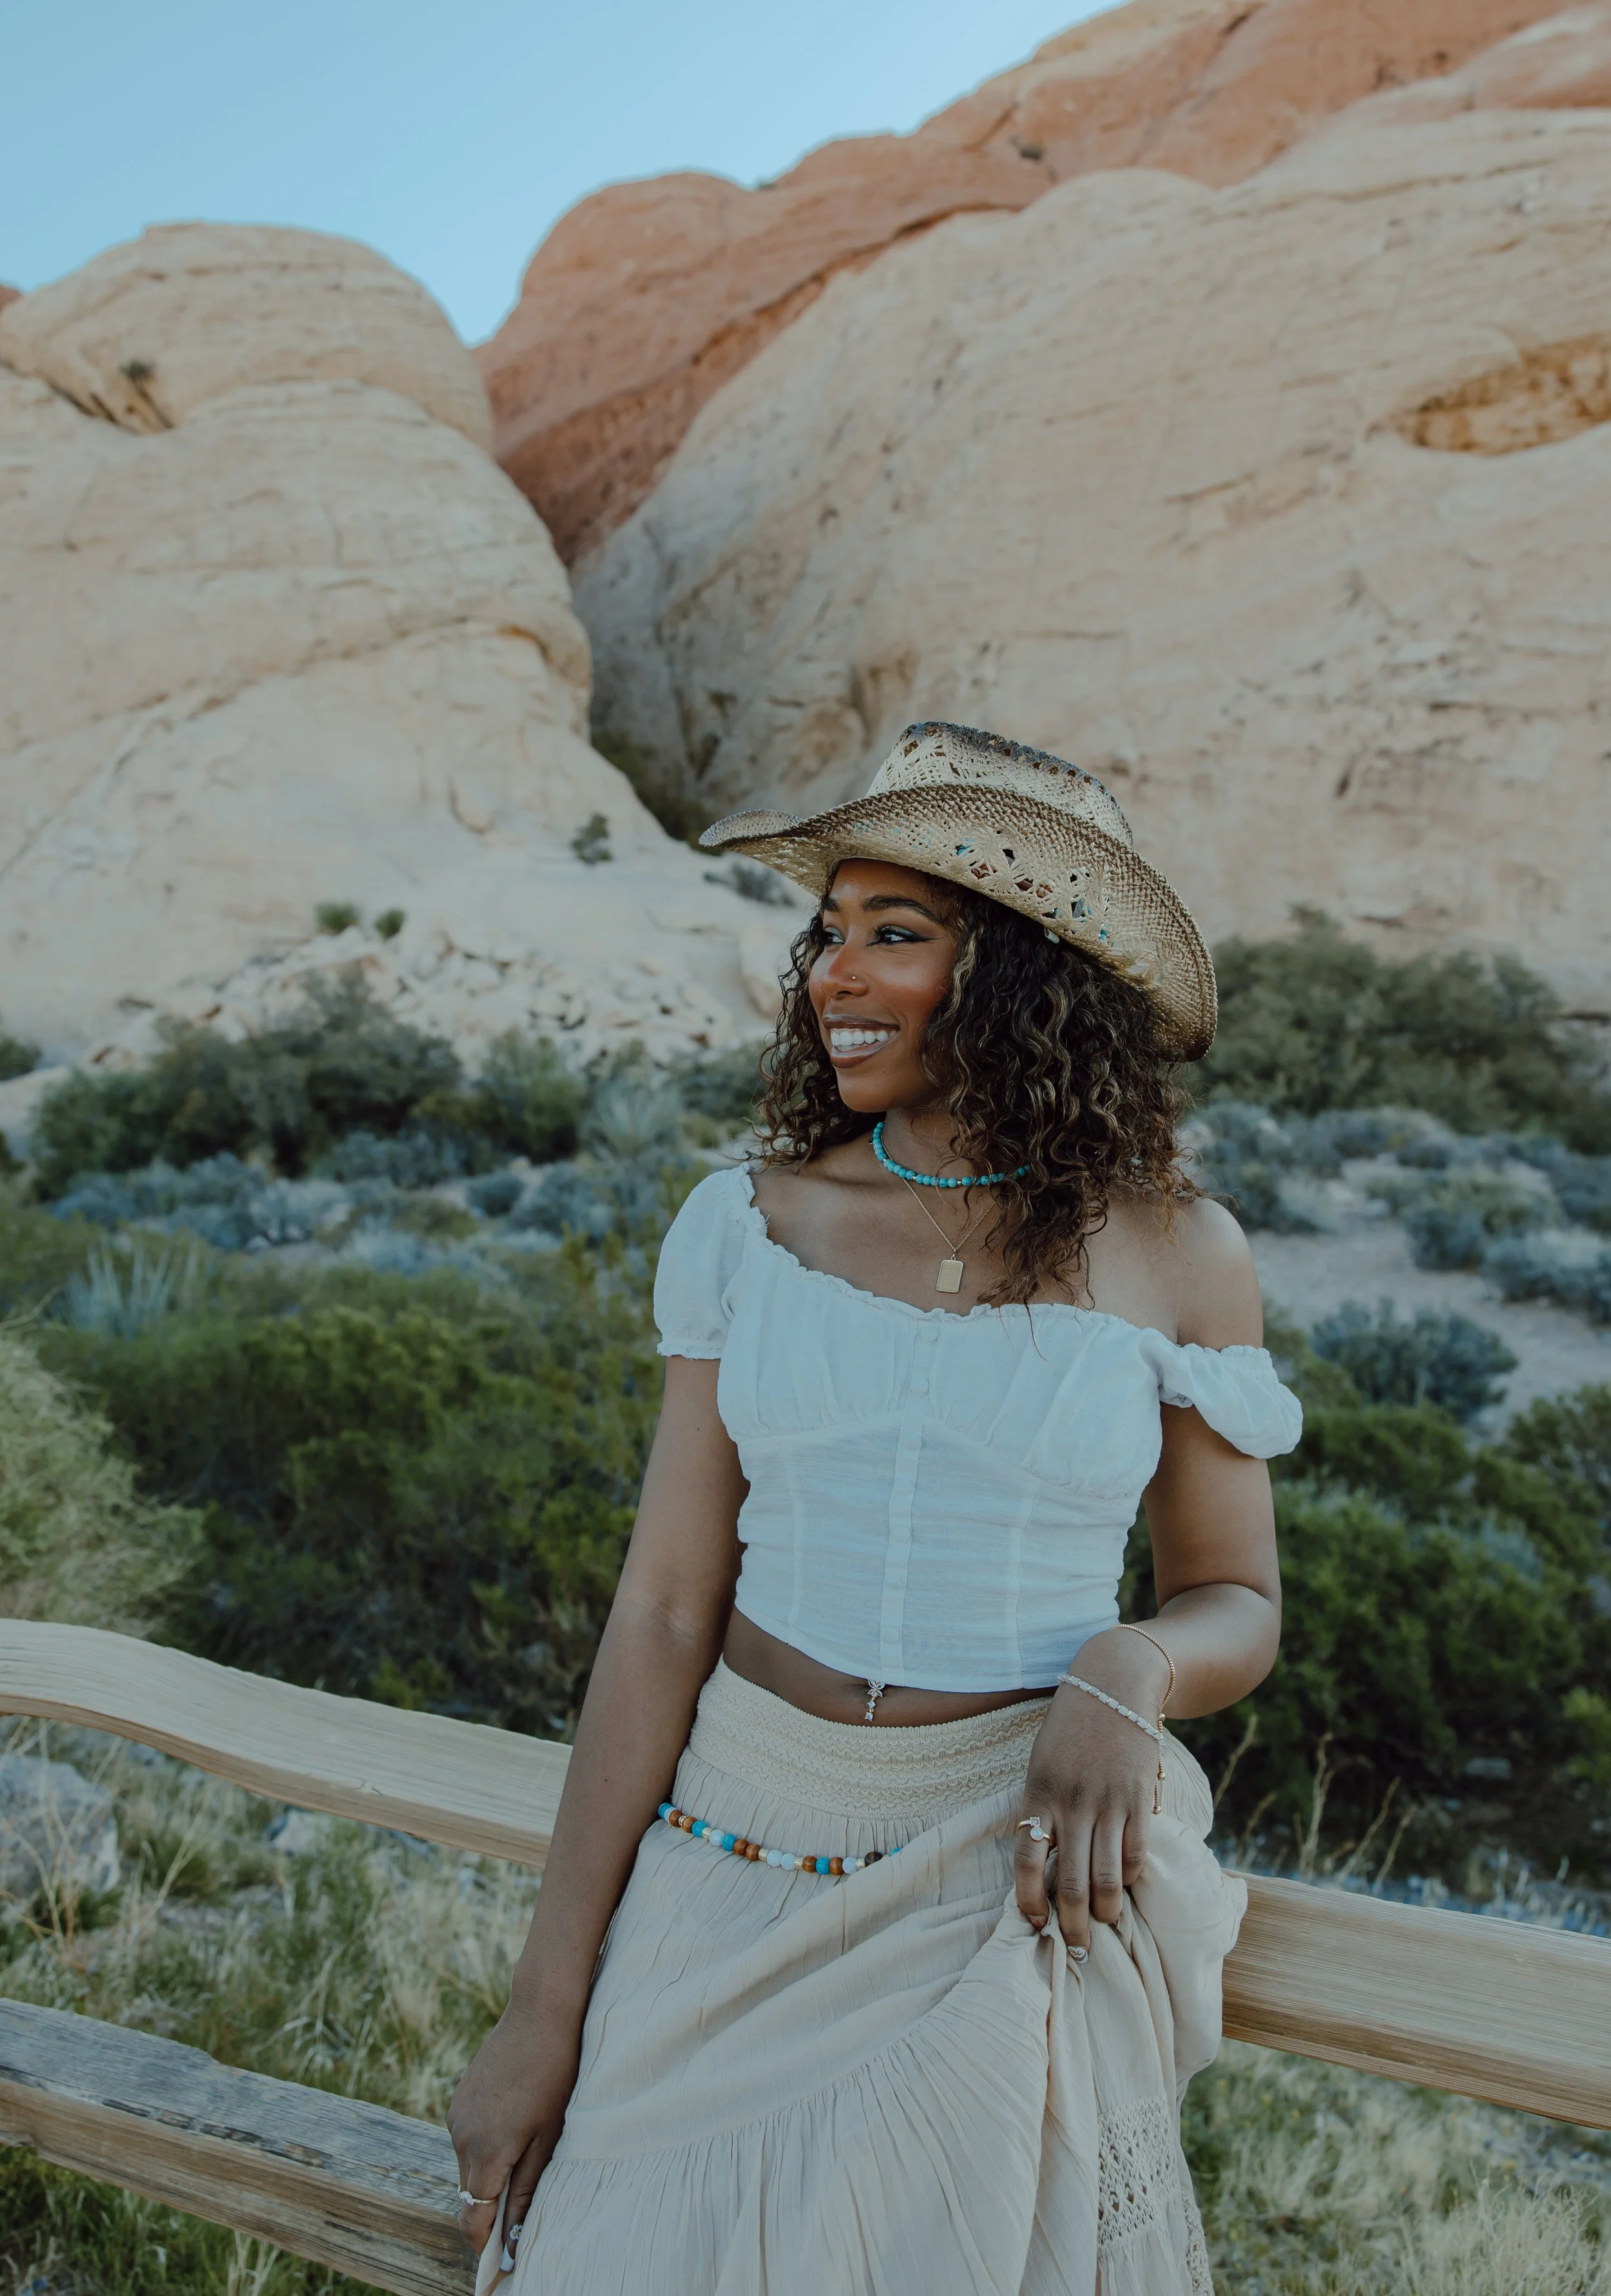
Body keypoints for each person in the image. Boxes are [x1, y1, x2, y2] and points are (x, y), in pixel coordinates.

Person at [448, 722, 1301, 2295]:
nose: (831, 975)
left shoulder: (1182, 1254)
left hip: (1006, 1875)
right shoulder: (749, 1223)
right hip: (726, 1853)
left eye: (893, 934)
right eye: (827, 932)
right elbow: (662, 1612)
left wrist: (1128, 1669)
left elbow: (1232, 1599)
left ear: (1026, 976)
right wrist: (539, 2010)